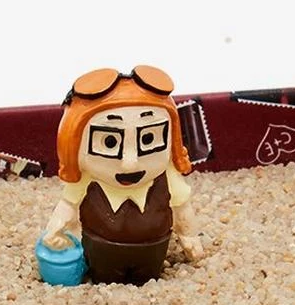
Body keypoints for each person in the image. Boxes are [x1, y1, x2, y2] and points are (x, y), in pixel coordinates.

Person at [41, 67, 204, 283]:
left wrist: (189, 235)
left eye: (148, 139)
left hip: (154, 248)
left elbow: (182, 206)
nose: (130, 164)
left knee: (149, 280)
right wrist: (55, 230)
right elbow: (67, 205)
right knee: (105, 279)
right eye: (109, 142)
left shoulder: (167, 177)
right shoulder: (87, 179)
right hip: (101, 248)